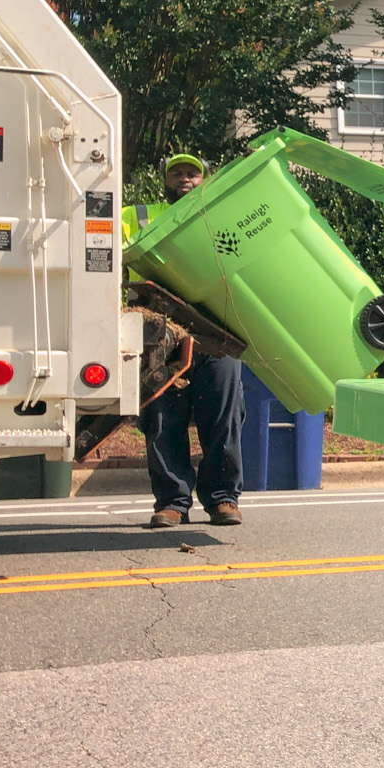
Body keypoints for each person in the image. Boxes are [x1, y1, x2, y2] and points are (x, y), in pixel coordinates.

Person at [124, 153, 245, 529]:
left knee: (223, 414)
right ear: (164, 179)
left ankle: (223, 498)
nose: (185, 178)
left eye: (193, 173)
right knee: (162, 418)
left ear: (204, 179)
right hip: (159, 334)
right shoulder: (137, 216)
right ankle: (172, 502)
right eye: (177, 173)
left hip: (216, 331)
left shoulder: (220, 218)